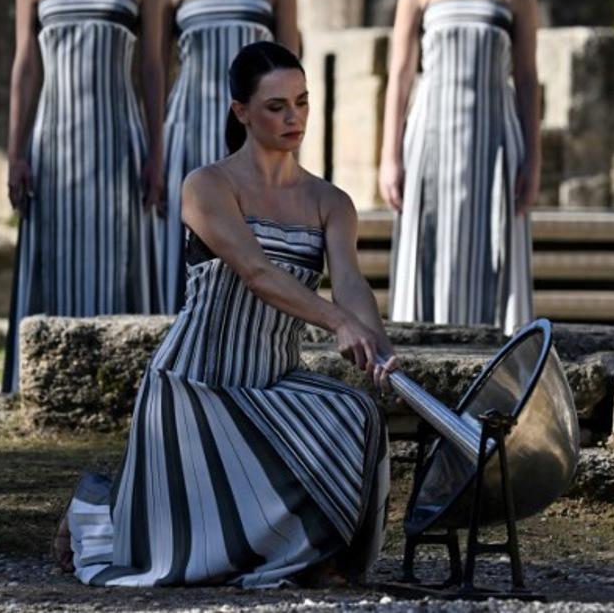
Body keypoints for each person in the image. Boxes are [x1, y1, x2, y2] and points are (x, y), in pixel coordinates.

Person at [54, 41, 396, 587]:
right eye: (276, 106)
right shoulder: (207, 185)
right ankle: (97, 515)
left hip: (272, 379)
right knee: (182, 557)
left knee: (356, 413)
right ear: (241, 111)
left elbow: (351, 285)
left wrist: (377, 346)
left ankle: (317, 557)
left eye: (302, 102)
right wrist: (336, 322)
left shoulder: (330, 201)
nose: (294, 117)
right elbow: (257, 273)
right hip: (194, 385)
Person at [2, 0, 164, 394]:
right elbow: (25, 68)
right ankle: (44, 386)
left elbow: (152, 69)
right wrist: (16, 152)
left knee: (118, 256)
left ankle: (123, 388)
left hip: (119, 139)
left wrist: (157, 153)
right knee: (52, 256)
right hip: (52, 143)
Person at [379, 0, 538, 333]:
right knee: (427, 239)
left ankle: (495, 359)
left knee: (493, 246)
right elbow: (401, 77)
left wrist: (534, 160)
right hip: (430, 132)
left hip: (495, 137)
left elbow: (527, 79)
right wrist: (390, 157)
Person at [159, 0, 300, 312]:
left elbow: (291, 68)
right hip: (188, 125)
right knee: (187, 246)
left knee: (256, 242)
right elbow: (158, 71)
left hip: (251, 133)